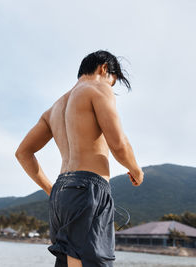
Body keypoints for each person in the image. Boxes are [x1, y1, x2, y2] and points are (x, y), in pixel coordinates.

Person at [15, 50, 144, 267]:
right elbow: (119, 144)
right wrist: (137, 171)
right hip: (88, 190)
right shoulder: (98, 87)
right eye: (112, 82)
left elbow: (23, 153)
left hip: (61, 196)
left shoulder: (53, 109)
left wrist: (50, 189)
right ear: (104, 68)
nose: (109, 87)